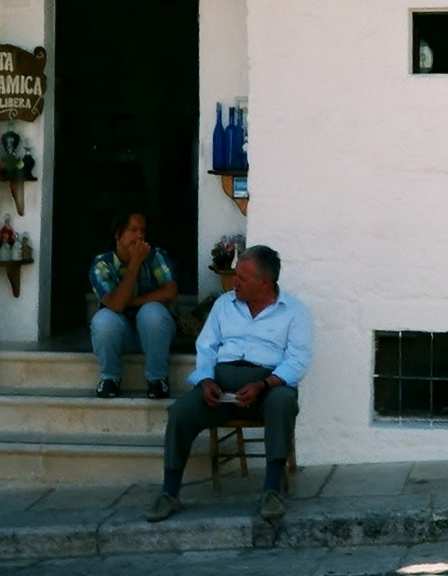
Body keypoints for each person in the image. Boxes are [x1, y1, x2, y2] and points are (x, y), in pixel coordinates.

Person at [147, 244, 311, 522]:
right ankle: (169, 493)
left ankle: (271, 491)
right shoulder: (224, 305)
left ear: (264, 283)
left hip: (266, 390)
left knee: (283, 401)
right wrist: (206, 380)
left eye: (242, 278)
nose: (234, 282)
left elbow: (297, 361)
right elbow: (207, 347)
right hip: (220, 388)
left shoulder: (294, 311)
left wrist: (264, 385)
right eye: (235, 275)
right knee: (180, 412)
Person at [89, 210, 178, 399]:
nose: (139, 236)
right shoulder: (102, 264)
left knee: (152, 312)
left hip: (154, 333)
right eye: (133, 230)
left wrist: (134, 301)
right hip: (123, 335)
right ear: (117, 234)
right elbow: (116, 304)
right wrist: (135, 264)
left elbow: (170, 290)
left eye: (143, 231)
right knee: (103, 320)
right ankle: (110, 379)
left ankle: (157, 379)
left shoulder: (155, 255)